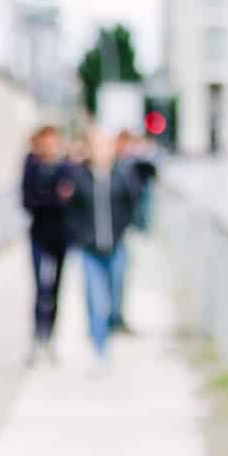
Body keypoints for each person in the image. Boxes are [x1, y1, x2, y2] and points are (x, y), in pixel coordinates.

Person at [65, 128, 143, 368]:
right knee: (96, 300)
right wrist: (80, 237)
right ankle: (100, 350)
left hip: (116, 247)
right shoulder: (80, 177)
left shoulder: (122, 175)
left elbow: (133, 203)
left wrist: (125, 229)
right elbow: (71, 210)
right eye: (96, 147)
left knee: (113, 297)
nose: (101, 152)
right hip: (90, 250)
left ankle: (109, 330)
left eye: (105, 146)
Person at [20, 125, 74, 365]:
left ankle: (50, 338)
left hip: (60, 236)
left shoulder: (66, 167)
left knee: (56, 289)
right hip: (39, 234)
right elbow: (28, 201)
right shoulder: (32, 166)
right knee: (41, 288)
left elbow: (71, 199)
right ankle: (38, 336)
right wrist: (55, 197)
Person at [109, 131, 159, 332]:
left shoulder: (135, 167)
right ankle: (112, 317)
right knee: (112, 277)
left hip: (127, 230)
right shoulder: (110, 167)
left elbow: (153, 172)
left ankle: (117, 316)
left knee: (121, 277)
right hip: (110, 232)